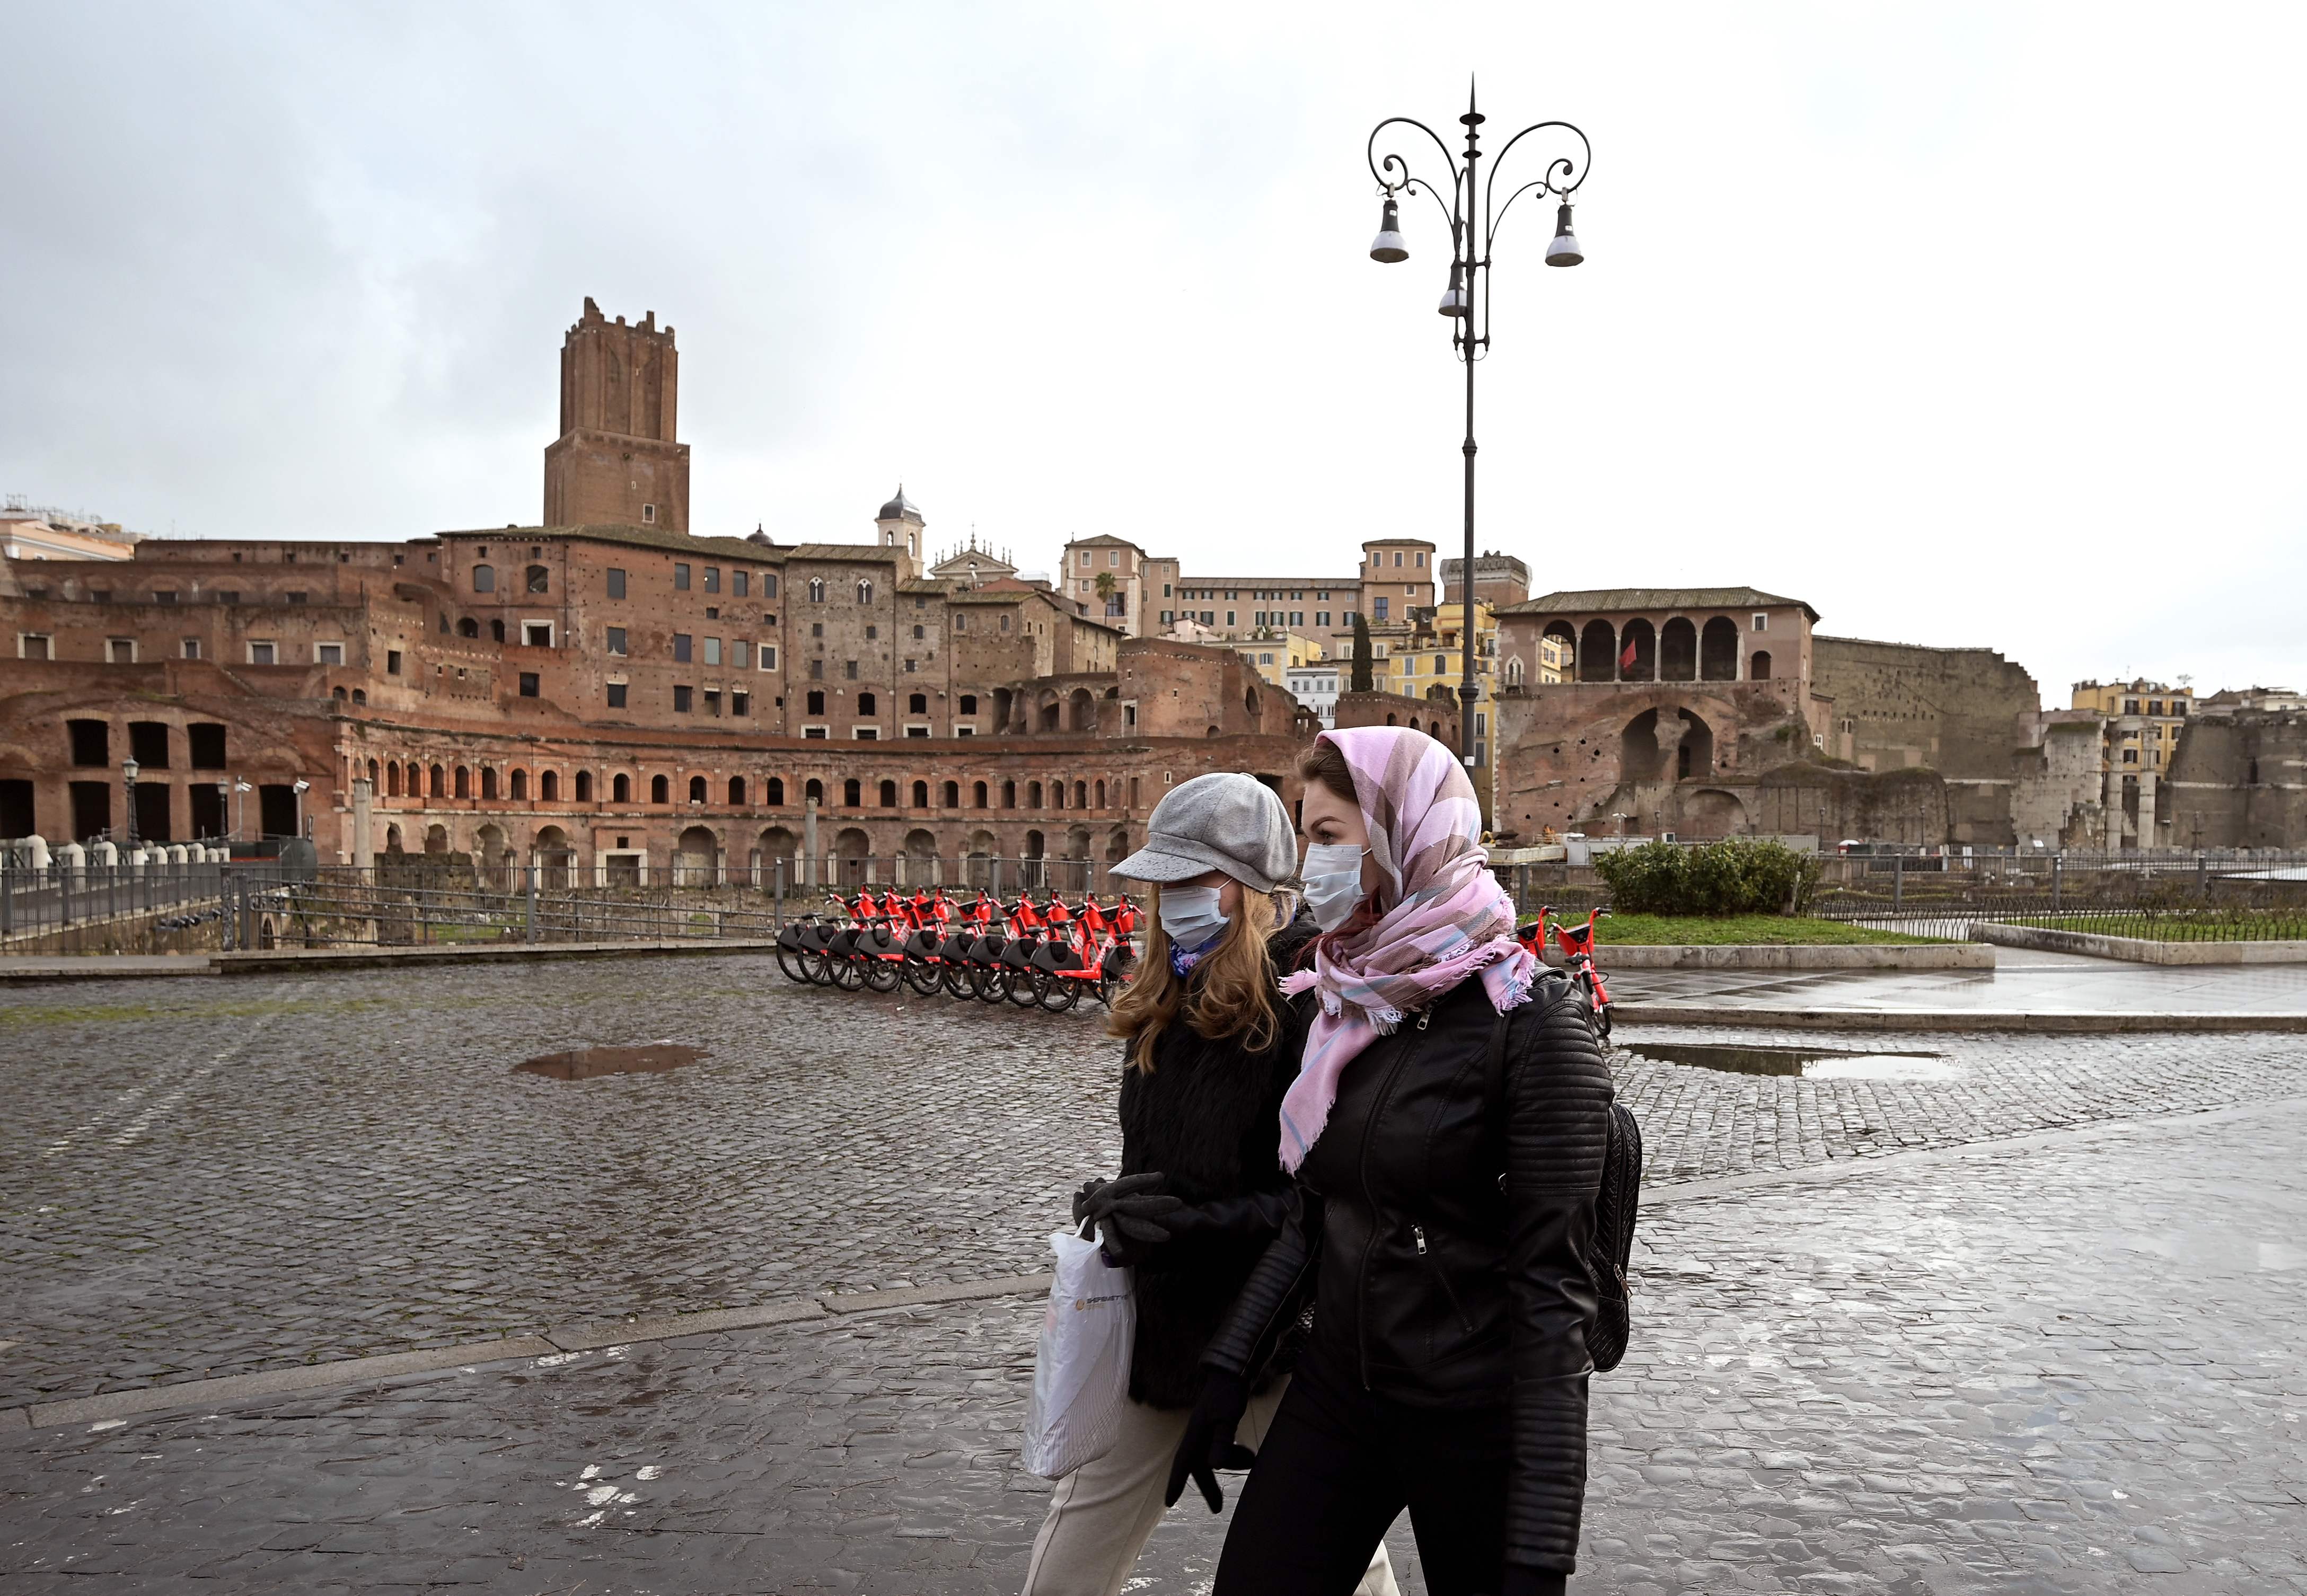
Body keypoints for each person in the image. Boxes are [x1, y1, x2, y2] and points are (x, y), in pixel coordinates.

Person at [1170, 727, 1614, 1596]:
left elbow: (1554, 1298)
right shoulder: (1350, 997)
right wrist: (1226, 1371)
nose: (1309, 863)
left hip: (1474, 1417)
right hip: (1341, 1391)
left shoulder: (1534, 1025)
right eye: (1306, 836)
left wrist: (1539, 1546)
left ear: (1401, 834)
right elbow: (1315, 1214)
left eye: (1329, 837)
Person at [1020, 772, 1397, 1596]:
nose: (1170, 897)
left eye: (1194, 879)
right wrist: (1122, 1203)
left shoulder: (1306, 1003)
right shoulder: (1164, 993)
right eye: (1165, 879)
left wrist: (1200, 1223)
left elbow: (1327, 1200)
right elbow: (1160, 1156)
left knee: (1346, 1565)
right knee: (1066, 1567)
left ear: (1251, 887)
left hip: (1274, 1342)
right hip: (1159, 1335)